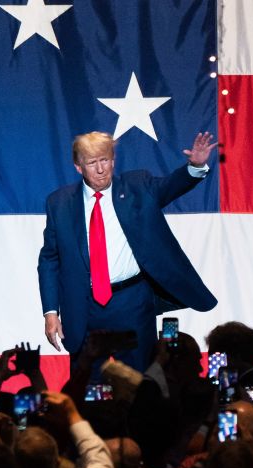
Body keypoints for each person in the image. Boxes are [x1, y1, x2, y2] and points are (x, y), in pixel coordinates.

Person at [38, 131, 218, 372]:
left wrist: (195, 166)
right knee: (88, 392)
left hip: (132, 302)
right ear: (78, 167)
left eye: (105, 159)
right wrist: (51, 312)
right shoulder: (58, 203)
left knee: (139, 386)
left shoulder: (138, 186)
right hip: (83, 307)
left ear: (113, 160)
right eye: (92, 163)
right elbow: (50, 259)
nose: (100, 169)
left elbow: (171, 185)